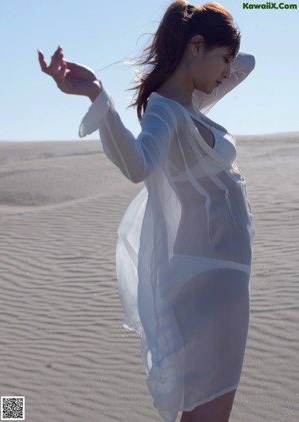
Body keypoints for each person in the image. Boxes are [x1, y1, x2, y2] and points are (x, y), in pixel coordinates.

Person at [38, 1, 255, 421]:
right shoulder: (166, 113)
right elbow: (137, 165)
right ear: (195, 47)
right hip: (207, 285)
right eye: (222, 60)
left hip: (229, 280)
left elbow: (247, 61)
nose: (228, 72)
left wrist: (212, 43)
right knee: (204, 412)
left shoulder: (193, 105)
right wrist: (99, 96)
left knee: (214, 409)